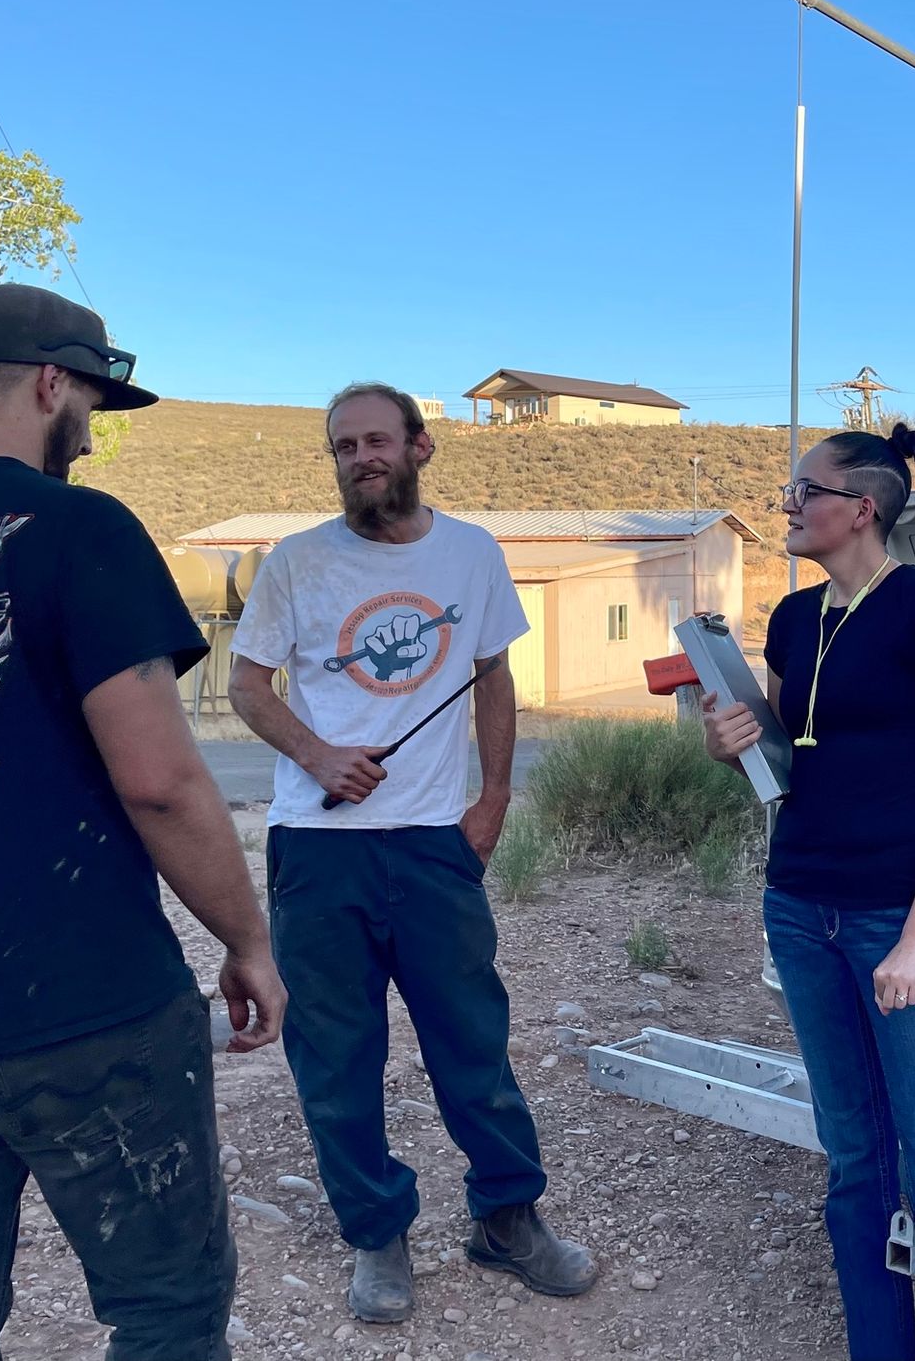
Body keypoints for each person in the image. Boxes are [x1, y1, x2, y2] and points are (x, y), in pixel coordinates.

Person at [0, 283, 287, 1360]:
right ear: (52, 380)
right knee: (164, 1307)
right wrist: (248, 940)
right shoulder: (76, 526)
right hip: (84, 1015)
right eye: (92, 406)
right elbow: (161, 779)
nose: (90, 436)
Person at [227, 382, 595, 1324]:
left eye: (377, 441)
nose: (360, 458)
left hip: (434, 842)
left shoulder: (471, 553)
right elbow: (248, 683)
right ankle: (376, 1233)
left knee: (471, 1039)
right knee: (336, 1055)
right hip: (317, 848)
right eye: (343, 446)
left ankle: (508, 1218)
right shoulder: (297, 563)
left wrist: (495, 798)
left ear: (421, 447)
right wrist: (316, 753)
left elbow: (493, 675)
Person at [703, 423, 915, 1361]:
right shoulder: (795, 620)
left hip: (898, 916)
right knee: (854, 1166)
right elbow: (778, 759)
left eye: (804, 491)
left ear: (861, 507)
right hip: (801, 907)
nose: (788, 507)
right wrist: (728, 747)